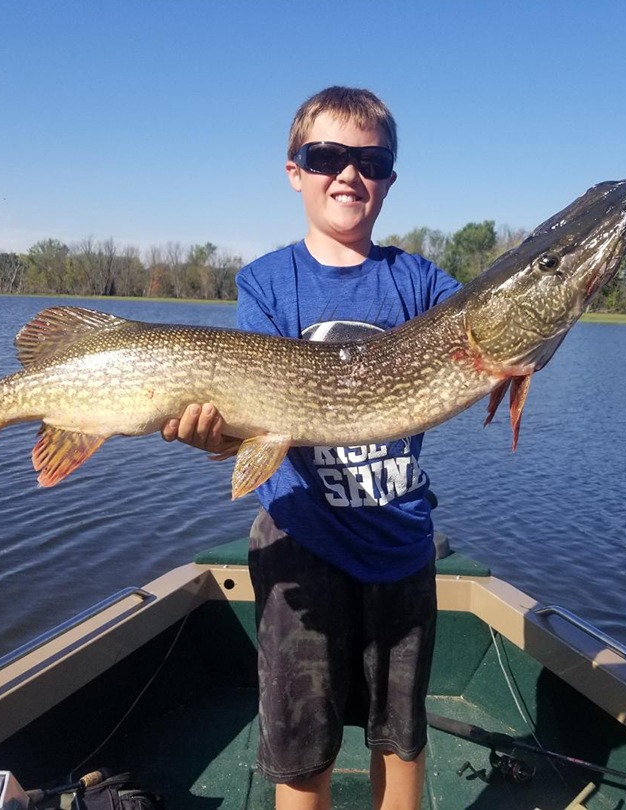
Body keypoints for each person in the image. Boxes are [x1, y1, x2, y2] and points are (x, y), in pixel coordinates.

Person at [162, 86, 460, 810]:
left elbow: (487, 340)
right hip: (300, 539)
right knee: (302, 754)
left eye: (371, 160)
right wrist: (214, 436)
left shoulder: (422, 283)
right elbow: (250, 413)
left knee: (402, 738)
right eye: (327, 156)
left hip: (399, 543)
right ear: (295, 170)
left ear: (390, 178)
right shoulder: (267, 283)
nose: (349, 174)